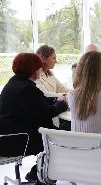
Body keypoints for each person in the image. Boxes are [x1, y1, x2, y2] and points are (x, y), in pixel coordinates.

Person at [0, 53, 68, 182]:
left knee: (60, 133)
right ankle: (39, 173)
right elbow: (46, 112)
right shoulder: (25, 88)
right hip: (18, 140)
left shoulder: (16, 83)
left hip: (10, 136)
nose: (41, 71)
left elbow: (38, 102)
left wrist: (56, 101)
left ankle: (41, 171)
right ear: (32, 70)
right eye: (39, 68)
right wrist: (62, 103)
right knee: (63, 139)